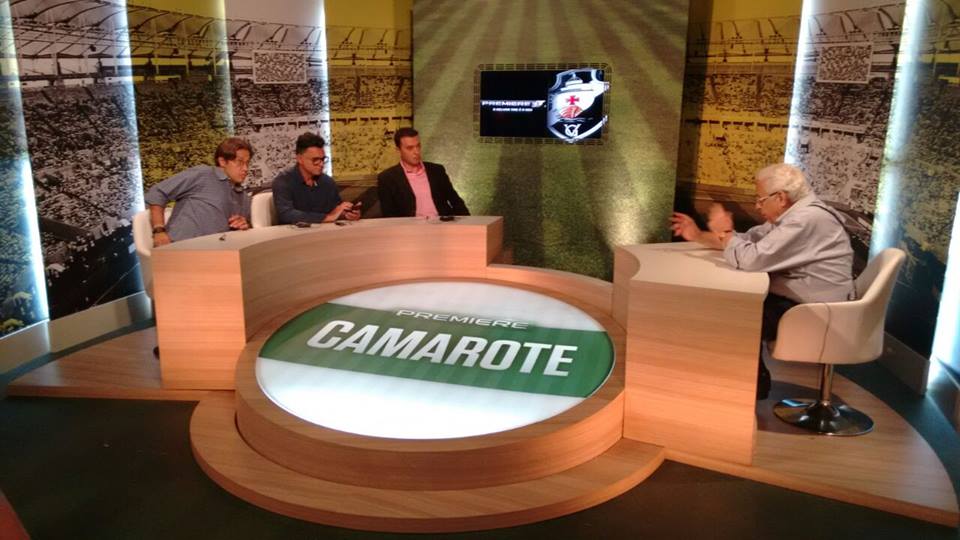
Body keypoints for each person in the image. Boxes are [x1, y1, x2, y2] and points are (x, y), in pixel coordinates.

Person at [669, 163, 854, 400]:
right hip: (806, 301)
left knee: (735, 316)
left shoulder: (805, 219)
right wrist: (697, 235)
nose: (757, 206)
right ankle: (746, 385)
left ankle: (744, 391)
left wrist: (725, 233)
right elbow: (748, 241)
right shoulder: (795, 214)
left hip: (819, 311)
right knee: (735, 308)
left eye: (760, 199)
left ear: (780, 198)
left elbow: (750, 258)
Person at [145, 137, 253, 246]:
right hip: (181, 248)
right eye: (239, 162)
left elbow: (245, 226)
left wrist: (244, 225)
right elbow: (157, 193)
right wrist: (159, 231)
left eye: (247, 163)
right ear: (222, 161)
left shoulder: (244, 197)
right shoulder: (203, 174)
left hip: (218, 250)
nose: (245, 169)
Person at [377, 127, 469, 218]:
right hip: (410, 226)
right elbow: (389, 215)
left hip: (442, 224)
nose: (416, 152)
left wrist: (468, 222)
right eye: (410, 148)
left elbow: (456, 201)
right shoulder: (387, 178)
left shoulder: (437, 171)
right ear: (398, 150)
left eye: (418, 146)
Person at [272, 132, 360, 224]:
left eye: (323, 159)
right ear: (299, 159)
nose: (321, 164)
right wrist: (327, 217)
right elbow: (286, 215)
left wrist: (347, 214)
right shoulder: (283, 182)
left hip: (324, 231)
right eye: (315, 160)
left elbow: (335, 210)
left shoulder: (327, 182)